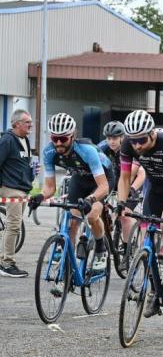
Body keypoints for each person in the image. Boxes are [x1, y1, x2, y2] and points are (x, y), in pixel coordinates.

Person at [118, 110, 163, 318]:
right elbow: (124, 178)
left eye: (141, 140)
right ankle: (154, 289)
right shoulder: (127, 144)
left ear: (151, 134)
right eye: (133, 141)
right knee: (146, 240)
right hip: (154, 188)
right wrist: (121, 203)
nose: (137, 146)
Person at [29, 113, 114, 273]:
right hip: (80, 178)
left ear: (72, 136)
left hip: (102, 179)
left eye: (63, 139)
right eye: (55, 139)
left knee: (92, 214)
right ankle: (68, 265)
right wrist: (39, 196)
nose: (59, 143)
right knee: (72, 222)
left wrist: (91, 199)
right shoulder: (49, 153)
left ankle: (101, 249)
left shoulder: (87, 150)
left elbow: (103, 186)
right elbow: (50, 188)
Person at [99, 121, 146, 270]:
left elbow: (141, 173)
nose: (111, 141)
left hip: (133, 183)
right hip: (113, 183)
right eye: (109, 138)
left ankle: (127, 251)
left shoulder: (131, 148)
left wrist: (131, 190)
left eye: (115, 138)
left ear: (122, 137)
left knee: (125, 215)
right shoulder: (102, 148)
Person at [0, 109, 35, 277]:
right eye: (27, 122)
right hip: (11, 188)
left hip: (22, 188)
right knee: (13, 226)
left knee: (15, 226)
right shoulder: (7, 140)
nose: (31, 125)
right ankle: (7, 264)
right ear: (17, 124)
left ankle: (4, 259)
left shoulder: (24, 140)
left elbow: (21, 164)